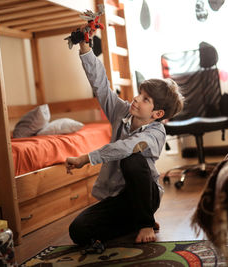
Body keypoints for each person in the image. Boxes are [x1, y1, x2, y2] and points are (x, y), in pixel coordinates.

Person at [65, 39, 183, 252]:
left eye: (145, 99)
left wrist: (85, 158)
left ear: (157, 114)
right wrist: (85, 49)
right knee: (78, 230)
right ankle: (133, 222)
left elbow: (126, 147)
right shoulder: (122, 112)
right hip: (120, 198)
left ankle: (145, 222)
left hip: (147, 196)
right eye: (140, 93)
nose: (136, 99)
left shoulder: (156, 133)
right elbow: (101, 87)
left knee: (132, 158)